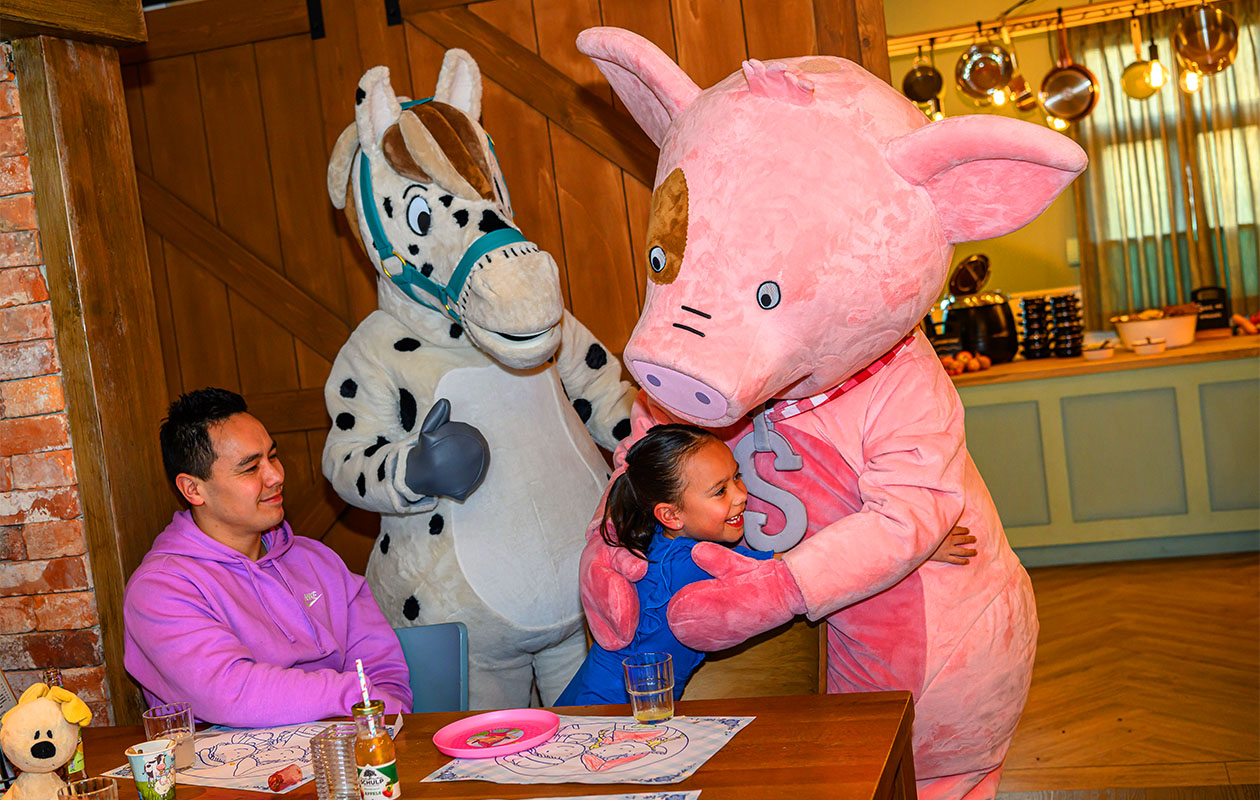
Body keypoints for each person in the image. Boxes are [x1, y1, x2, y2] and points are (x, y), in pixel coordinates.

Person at [556, 424, 976, 705]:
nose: (740, 495)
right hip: (610, 713)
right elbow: (815, 560)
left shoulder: (654, 541)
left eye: (736, 477)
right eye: (719, 491)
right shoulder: (699, 563)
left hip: (600, 702)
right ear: (671, 515)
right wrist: (911, 545)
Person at [123, 388, 412, 727]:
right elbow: (230, 694)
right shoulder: (160, 589)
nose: (276, 476)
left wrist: (373, 726)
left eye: (272, 456)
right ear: (193, 489)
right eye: (250, 468)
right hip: (227, 775)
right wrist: (352, 696)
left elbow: (383, 672)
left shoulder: (316, 559)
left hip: (350, 755)